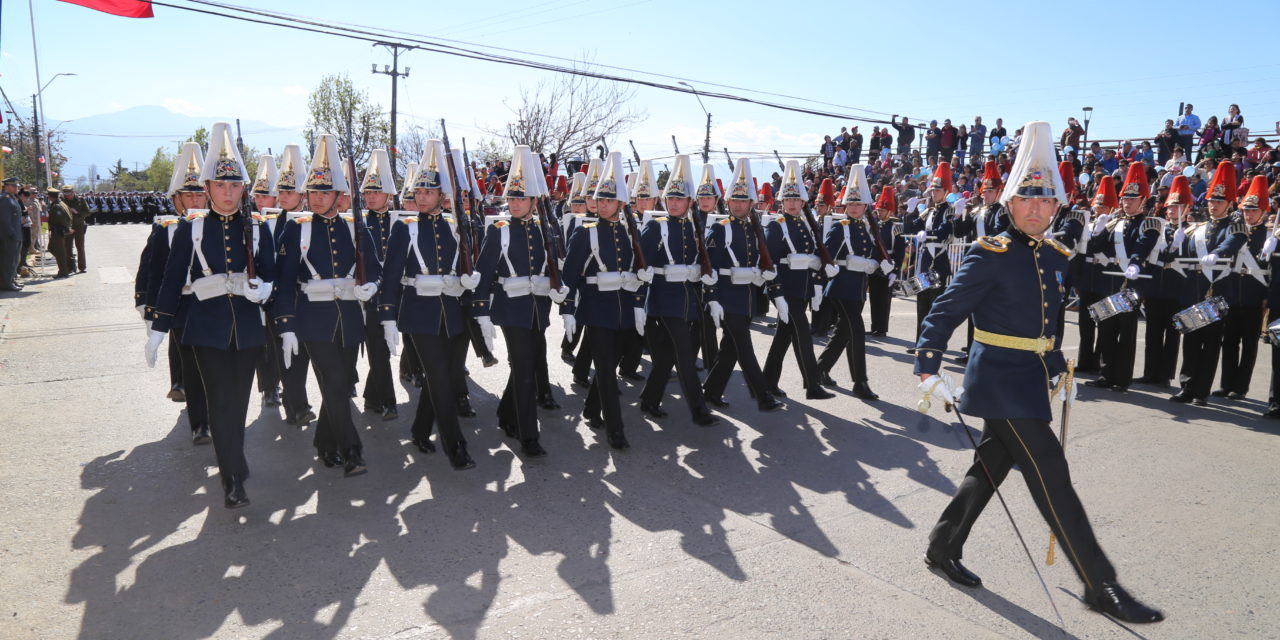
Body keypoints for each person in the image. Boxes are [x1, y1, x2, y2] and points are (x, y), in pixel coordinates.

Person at [916, 120, 1164, 625]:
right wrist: (927, 367)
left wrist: (1055, 365)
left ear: (1057, 208)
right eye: (1027, 200)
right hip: (998, 384)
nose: (1036, 209)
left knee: (988, 469)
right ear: (1010, 204)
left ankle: (943, 547)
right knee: (1053, 476)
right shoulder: (991, 254)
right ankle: (1102, 585)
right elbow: (944, 311)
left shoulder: (1055, 255)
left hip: (1029, 380)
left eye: (1046, 201)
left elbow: (1047, 320)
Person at [145, 122, 276, 508]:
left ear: (243, 188)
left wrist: (266, 290)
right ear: (208, 189)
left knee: (237, 404)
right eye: (221, 185)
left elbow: (271, 273)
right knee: (220, 402)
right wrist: (158, 328)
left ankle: (233, 459)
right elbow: (171, 280)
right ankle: (232, 478)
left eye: (235, 185)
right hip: (206, 330)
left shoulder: (257, 228)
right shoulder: (192, 228)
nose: (228, 192)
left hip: (249, 330)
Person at [274, 133, 381, 476]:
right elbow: (285, 282)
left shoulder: (356, 228)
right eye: (313, 192)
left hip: (349, 319)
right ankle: (353, 451)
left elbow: (375, 268)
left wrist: (372, 286)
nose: (317, 199)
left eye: (324, 193)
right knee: (335, 382)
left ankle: (324, 444)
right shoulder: (297, 230)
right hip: (313, 321)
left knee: (339, 383)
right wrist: (287, 325)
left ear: (339, 195)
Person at [379, 139, 477, 469]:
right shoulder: (403, 229)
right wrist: (388, 318)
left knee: (445, 379)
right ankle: (456, 446)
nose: (421, 197)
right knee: (437, 377)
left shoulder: (456, 227)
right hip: (419, 315)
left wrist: (469, 281)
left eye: (428, 193)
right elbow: (391, 277)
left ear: (441, 196)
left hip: (452, 314)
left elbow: (466, 267)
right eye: (417, 193)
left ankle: (421, 430)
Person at [472, 146, 561, 458]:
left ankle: (505, 414)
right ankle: (528, 436)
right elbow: (482, 273)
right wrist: (481, 312)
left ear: (534, 201)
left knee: (527, 364)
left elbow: (555, 264)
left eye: (521, 198)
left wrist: (560, 288)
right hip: (511, 310)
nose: (515, 203)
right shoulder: (499, 230)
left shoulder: (544, 228)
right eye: (512, 198)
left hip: (538, 308)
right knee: (524, 371)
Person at [560, 151, 650, 450]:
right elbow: (570, 275)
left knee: (609, 366)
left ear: (621, 204)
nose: (602, 205)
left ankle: (589, 409)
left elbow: (637, 270)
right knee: (606, 372)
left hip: (623, 311)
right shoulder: (585, 233)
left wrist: (638, 302)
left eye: (609, 201)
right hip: (596, 309)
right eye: (600, 200)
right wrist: (568, 310)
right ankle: (615, 429)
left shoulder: (628, 232)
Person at [636, 153, 720, 426]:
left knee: (666, 357)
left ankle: (649, 400)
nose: (673, 203)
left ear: (689, 202)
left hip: (688, 301)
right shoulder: (655, 227)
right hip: (664, 300)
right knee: (685, 356)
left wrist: (703, 277)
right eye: (670, 198)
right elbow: (639, 264)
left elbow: (702, 263)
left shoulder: (695, 228)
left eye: (679, 199)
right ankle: (700, 411)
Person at [701, 158, 784, 413]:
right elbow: (709, 268)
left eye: (743, 201)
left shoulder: (753, 229)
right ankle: (763, 396)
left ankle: (711, 392)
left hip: (746, 296)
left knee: (729, 349)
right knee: (745, 349)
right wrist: (712, 298)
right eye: (734, 201)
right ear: (728, 202)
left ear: (751, 204)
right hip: (727, 297)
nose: (738, 205)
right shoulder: (720, 229)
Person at [1170, 161, 1245, 405]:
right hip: (1195, 291)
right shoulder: (1199, 228)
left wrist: (1220, 253)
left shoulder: (1235, 226)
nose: (1213, 206)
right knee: (1191, 341)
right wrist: (1176, 241)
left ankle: (1201, 391)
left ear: (1230, 204)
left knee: (1211, 344)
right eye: (1211, 201)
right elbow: (1183, 255)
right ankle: (1187, 387)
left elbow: (1233, 241)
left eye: (1219, 202)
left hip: (1217, 293)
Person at [762, 160, 837, 400]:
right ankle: (812, 385)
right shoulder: (777, 226)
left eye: (796, 200)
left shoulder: (805, 226)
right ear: (782, 202)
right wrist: (776, 294)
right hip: (785, 290)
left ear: (803, 202)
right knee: (803, 336)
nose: (792, 204)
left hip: (801, 289)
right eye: (788, 200)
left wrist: (815, 283)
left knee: (783, 337)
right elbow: (767, 263)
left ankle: (767, 382)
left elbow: (813, 256)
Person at [1084, 162, 1160, 392]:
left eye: (1132, 199)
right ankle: (1106, 374)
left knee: (1126, 333)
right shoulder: (1115, 222)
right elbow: (1095, 248)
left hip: (1130, 284)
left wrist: (1136, 263)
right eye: (1124, 199)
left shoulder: (1149, 223)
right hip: (1111, 283)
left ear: (1143, 200)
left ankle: (1122, 379)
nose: (1127, 202)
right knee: (1106, 330)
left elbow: (1143, 244)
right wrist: (1097, 231)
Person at [816, 164, 884, 399]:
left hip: (858, 288)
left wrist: (877, 264)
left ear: (865, 206)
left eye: (858, 204)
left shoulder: (865, 228)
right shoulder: (840, 227)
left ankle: (820, 369)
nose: (854, 208)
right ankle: (860, 382)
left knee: (843, 333)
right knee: (856, 331)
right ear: (845, 206)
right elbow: (824, 255)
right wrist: (846, 262)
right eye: (851, 204)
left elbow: (873, 254)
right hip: (842, 287)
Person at [1214, 175, 1269, 399]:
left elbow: (1272, 271)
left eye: (1253, 210)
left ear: (1263, 212)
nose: (1249, 214)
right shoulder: (1235, 231)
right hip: (1231, 292)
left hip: (1254, 295)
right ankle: (1226, 384)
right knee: (1229, 342)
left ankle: (1241, 387)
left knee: (1248, 344)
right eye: (1246, 210)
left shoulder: (1268, 236)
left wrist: (1266, 296)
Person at [1134, 175, 1191, 387]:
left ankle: (1165, 375)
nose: (1171, 211)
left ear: (1186, 209)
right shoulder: (1159, 229)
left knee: (1172, 336)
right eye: (1169, 208)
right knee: (1153, 333)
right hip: (1155, 287)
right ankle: (1149, 372)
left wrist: (1179, 246)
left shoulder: (1192, 232)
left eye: (1177, 207)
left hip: (1177, 289)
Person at [358, 148, 401, 421]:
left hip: (398, 291)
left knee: (383, 348)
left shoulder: (401, 221)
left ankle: (372, 396)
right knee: (379, 347)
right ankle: (387, 400)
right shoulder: (358, 221)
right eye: (368, 192)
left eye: (377, 192)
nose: (371, 196)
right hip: (372, 293)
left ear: (389, 195)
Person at [904, 162, 956, 348]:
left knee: (935, 306)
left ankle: (934, 343)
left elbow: (943, 232)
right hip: (925, 265)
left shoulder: (949, 211)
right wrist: (909, 213)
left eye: (938, 190)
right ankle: (921, 343)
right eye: (932, 190)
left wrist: (928, 235)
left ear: (946, 191)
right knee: (922, 304)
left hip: (938, 265)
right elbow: (910, 227)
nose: (934, 193)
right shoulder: (930, 210)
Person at [867, 187, 901, 337]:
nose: (879, 212)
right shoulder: (876, 225)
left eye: (882, 210)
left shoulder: (896, 227)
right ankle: (874, 326)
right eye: (878, 209)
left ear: (889, 211)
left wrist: (895, 271)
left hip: (888, 264)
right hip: (875, 265)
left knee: (884, 299)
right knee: (874, 297)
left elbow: (900, 251)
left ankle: (882, 328)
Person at [46, 188, 75, 278]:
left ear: (50, 196)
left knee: (60, 252)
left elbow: (62, 219)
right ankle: (69, 264)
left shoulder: (57, 206)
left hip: (58, 231)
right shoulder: (60, 203)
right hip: (58, 231)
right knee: (51, 248)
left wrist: (67, 229)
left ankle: (63, 271)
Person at [0, 178, 21, 291]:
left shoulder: (12, 198)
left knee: (14, 260)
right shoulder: (5, 199)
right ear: (7, 186)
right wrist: (12, 234)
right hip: (9, 236)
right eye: (14, 186)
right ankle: (7, 283)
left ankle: (12, 279)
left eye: (16, 186)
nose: (16, 188)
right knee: (8, 260)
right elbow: (5, 220)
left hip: (16, 234)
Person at [64, 186, 91, 273]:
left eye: (68, 194)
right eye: (65, 194)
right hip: (68, 226)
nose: (67, 196)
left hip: (79, 226)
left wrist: (77, 212)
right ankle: (70, 267)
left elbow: (87, 212)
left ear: (73, 192)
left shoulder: (80, 200)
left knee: (80, 246)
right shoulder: (62, 200)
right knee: (67, 247)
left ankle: (82, 267)